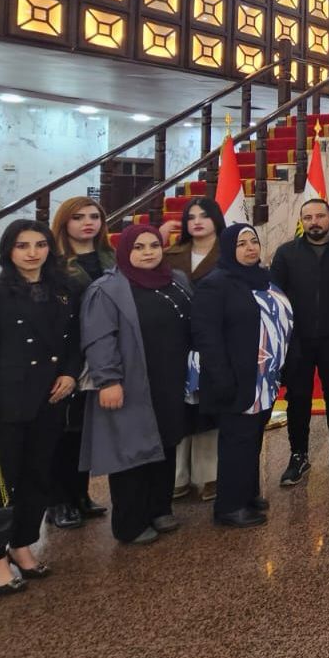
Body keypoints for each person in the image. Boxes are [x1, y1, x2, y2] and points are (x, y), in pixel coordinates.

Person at [0, 220, 81, 595]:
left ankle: (21, 542)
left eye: (40, 244)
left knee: (37, 477)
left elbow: (73, 341)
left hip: (48, 399)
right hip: (4, 404)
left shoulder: (62, 292)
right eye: (22, 245)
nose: (33, 252)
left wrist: (70, 373)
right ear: (8, 252)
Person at [80, 224, 194, 544]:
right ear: (125, 252)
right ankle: (130, 523)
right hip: (130, 381)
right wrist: (108, 380)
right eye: (139, 248)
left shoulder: (177, 280)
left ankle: (160, 508)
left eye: (153, 246)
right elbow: (99, 338)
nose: (148, 253)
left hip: (171, 380)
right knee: (130, 451)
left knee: (166, 442)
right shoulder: (108, 289)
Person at [192, 224, 293, 526]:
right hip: (235, 378)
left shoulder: (264, 279)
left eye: (254, 241)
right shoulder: (216, 283)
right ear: (228, 249)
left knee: (251, 439)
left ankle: (247, 495)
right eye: (241, 244)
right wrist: (221, 377)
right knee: (237, 441)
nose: (250, 248)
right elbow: (206, 335)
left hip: (263, 378)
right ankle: (229, 507)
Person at [271, 199, 329, 486]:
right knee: (298, 397)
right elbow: (276, 299)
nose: (314, 221)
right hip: (297, 341)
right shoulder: (286, 253)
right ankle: (298, 455)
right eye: (308, 217)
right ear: (301, 221)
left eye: (320, 216)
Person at [47, 196, 112, 530]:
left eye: (94, 216)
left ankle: (80, 494)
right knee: (62, 431)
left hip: (101, 353)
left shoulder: (110, 257)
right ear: (64, 223)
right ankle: (57, 500)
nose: (88, 222)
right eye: (78, 217)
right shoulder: (53, 263)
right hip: (66, 356)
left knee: (85, 430)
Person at [164, 196, 224, 500]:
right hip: (176, 341)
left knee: (208, 409)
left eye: (204, 215)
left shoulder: (230, 252)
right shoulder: (170, 255)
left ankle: (210, 476)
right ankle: (177, 477)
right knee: (180, 409)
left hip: (214, 341)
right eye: (191, 217)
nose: (197, 221)